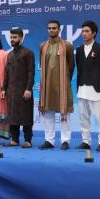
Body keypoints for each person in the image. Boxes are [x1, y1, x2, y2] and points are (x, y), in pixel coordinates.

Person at [38, 20, 75, 150]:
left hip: (62, 84)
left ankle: (65, 140)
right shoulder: (43, 46)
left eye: (54, 28)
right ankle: (49, 140)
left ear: (59, 30)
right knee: (48, 111)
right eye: (49, 28)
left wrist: (65, 78)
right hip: (47, 84)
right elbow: (42, 64)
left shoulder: (67, 45)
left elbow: (71, 65)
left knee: (65, 113)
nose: (51, 30)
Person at [75, 21, 100, 151]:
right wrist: (79, 85)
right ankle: (86, 141)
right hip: (82, 87)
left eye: (87, 31)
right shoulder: (79, 50)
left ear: (94, 33)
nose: (84, 34)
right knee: (83, 116)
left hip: (96, 87)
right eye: (83, 31)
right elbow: (79, 69)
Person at [2, 28, 35, 149]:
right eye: (11, 37)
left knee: (26, 116)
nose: (12, 39)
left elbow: (31, 72)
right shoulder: (10, 54)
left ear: (21, 38)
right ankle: (14, 140)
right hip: (11, 91)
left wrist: (28, 89)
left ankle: (28, 140)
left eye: (15, 37)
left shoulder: (28, 53)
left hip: (24, 90)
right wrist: (3, 88)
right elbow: (6, 73)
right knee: (12, 116)